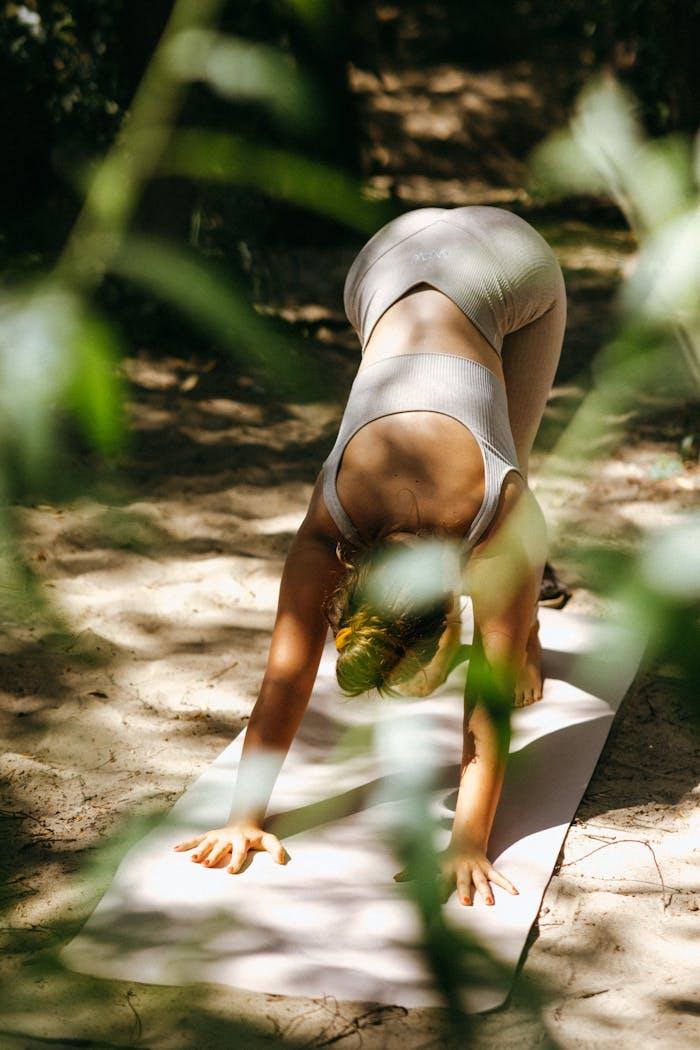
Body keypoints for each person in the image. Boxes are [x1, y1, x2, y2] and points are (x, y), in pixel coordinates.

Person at [174, 205, 568, 908]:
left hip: (499, 258)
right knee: (495, 436)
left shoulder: (499, 520)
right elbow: (288, 680)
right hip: (381, 262)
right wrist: (244, 815)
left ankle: (531, 621)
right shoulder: (329, 527)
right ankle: (524, 614)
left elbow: (488, 704)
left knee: (517, 456)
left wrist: (469, 841)